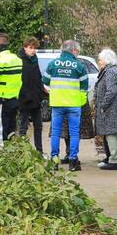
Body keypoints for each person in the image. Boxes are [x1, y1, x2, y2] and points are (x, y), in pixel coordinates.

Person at [43, 39, 88, 170]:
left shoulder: (53, 64)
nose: (78, 54)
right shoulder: (79, 66)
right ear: (73, 50)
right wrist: (81, 101)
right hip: (74, 104)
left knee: (56, 133)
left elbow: (45, 80)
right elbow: (84, 87)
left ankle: (54, 160)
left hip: (57, 104)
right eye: (77, 51)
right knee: (74, 133)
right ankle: (73, 162)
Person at [95, 48, 117, 171]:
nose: (99, 62)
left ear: (106, 60)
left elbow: (111, 91)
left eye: (100, 60)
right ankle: (115, 158)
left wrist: (104, 105)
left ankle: (114, 161)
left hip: (112, 107)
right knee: (115, 133)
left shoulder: (110, 72)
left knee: (110, 133)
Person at [0, 33, 22, 143]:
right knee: (11, 131)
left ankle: (1, 154)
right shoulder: (17, 59)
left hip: (1, 102)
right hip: (14, 101)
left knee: (0, 133)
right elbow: (19, 82)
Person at [16, 37, 46, 153]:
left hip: (35, 98)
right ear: (25, 48)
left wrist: (41, 92)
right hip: (24, 99)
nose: (33, 51)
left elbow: (38, 77)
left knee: (38, 126)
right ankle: (22, 151)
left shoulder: (35, 59)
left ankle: (39, 151)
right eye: (30, 48)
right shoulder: (19, 60)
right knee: (23, 127)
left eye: (34, 48)